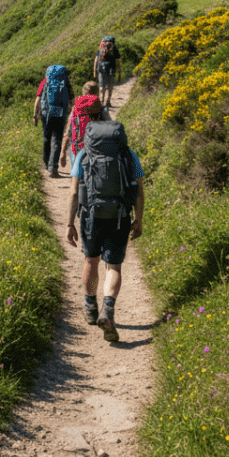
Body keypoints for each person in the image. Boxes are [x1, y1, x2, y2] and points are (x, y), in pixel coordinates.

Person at [65, 112, 144, 343]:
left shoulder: (83, 154)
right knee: (114, 267)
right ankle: (107, 310)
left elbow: (73, 193)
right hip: (120, 216)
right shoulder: (129, 155)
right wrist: (138, 219)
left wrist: (70, 223)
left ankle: (90, 307)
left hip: (91, 216)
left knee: (91, 261)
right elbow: (139, 191)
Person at [32, 65, 73, 177]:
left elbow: (38, 99)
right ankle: (53, 168)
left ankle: (47, 163)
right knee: (57, 140)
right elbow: (71, 97)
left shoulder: (45, 81)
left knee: (47, 138)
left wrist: (35, 116)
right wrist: (69, 113)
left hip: (46, 113)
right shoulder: (65, 82)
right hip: (60, 113)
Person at [64, 82, 109, 159]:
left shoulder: (76, 108)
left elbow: (68, 131)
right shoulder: (101, 109)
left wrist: (63, 152)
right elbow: (109, 129)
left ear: (83, 92)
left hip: (77, 147)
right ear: (97, 93)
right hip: (95, 148)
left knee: (76, 168)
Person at [93, 37, 120, 108]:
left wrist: (94, 71)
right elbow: (118, 62)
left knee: (104, 87)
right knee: (106, 87)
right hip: (106, 70)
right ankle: (104, 101)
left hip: (104, 70)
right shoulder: (111, 50)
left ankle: (105, 101)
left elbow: (96, 60)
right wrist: (119, 72)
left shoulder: (112, 50)